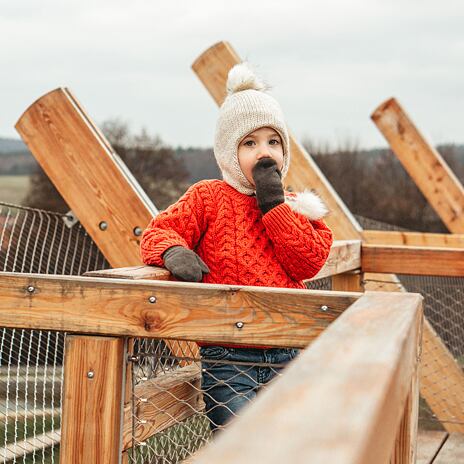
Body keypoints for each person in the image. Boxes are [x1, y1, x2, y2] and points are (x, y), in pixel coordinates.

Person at [140, 63, 333, 433]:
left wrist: (274, 205)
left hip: (289, 346)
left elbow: (308, 261)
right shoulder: (208, 197)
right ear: (229, 151)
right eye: (250, 143)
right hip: (229, 353)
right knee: (237, 440)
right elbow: (157, 231)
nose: (264, 153)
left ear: (284, 150)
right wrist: (173, 252)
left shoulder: (294, 206)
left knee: (287, 441)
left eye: (273, 142)